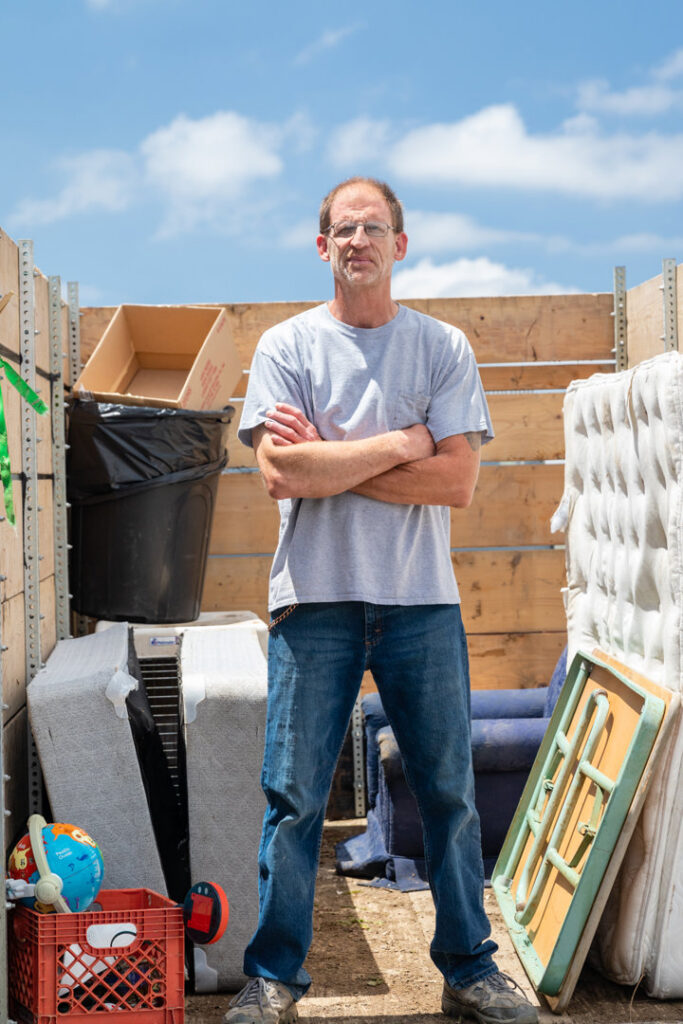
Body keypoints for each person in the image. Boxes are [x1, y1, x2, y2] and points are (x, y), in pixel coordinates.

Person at [226, 176, 538, 1024]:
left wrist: (341, 457)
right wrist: (405, 442)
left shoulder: (441, 348)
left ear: (400, 245)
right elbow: (283, 472)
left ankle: (469, 970)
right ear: (320, 246)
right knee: (292, 800)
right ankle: (276, 978)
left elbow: (458, 482)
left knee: (447, 794)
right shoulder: (286, 347)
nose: (356, 240)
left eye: (372, 227)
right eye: (341, 228)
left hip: (419, 605)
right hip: (313, 602)